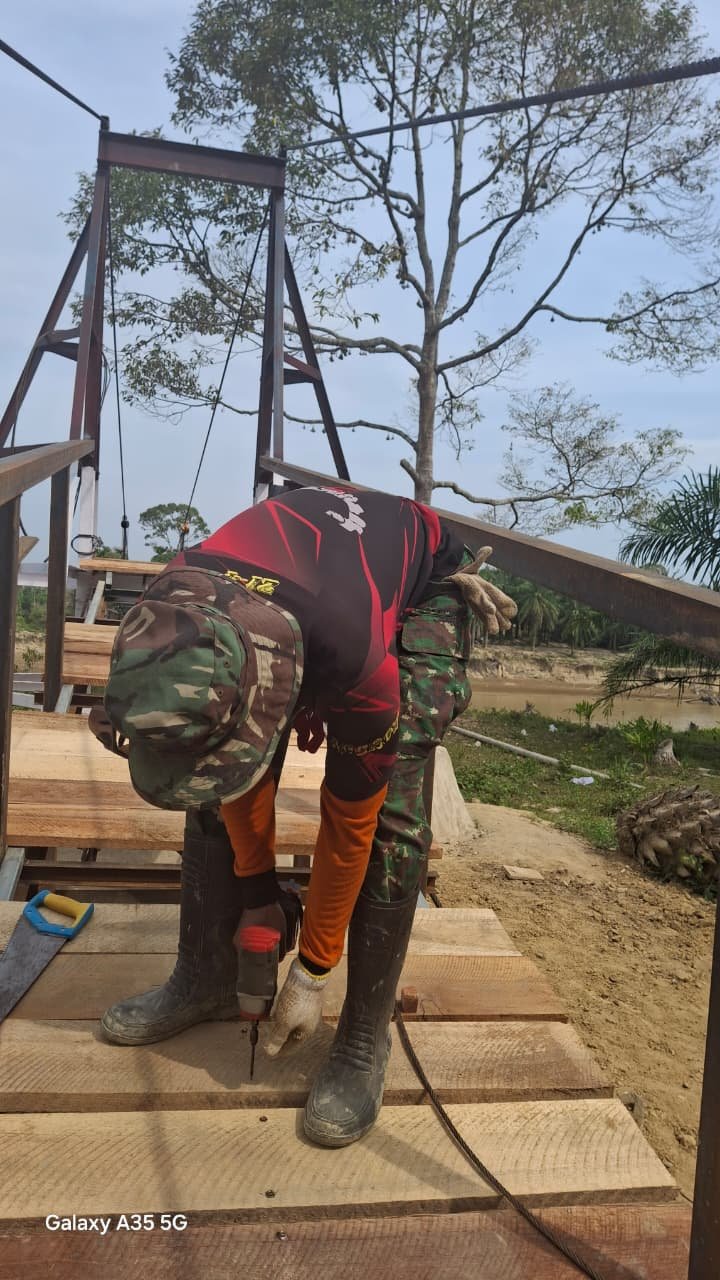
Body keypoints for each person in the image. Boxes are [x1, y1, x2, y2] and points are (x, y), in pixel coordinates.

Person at [89, 483, 515, 1146]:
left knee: (393, 811)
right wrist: (258, 893)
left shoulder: (355, 659)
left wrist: (313, 970)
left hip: (417, 586)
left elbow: (350, 821)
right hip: (310, 589)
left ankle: (363, 1035)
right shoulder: (167, 608)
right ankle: (205, 975)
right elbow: (233, 770)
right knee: (205, 765)